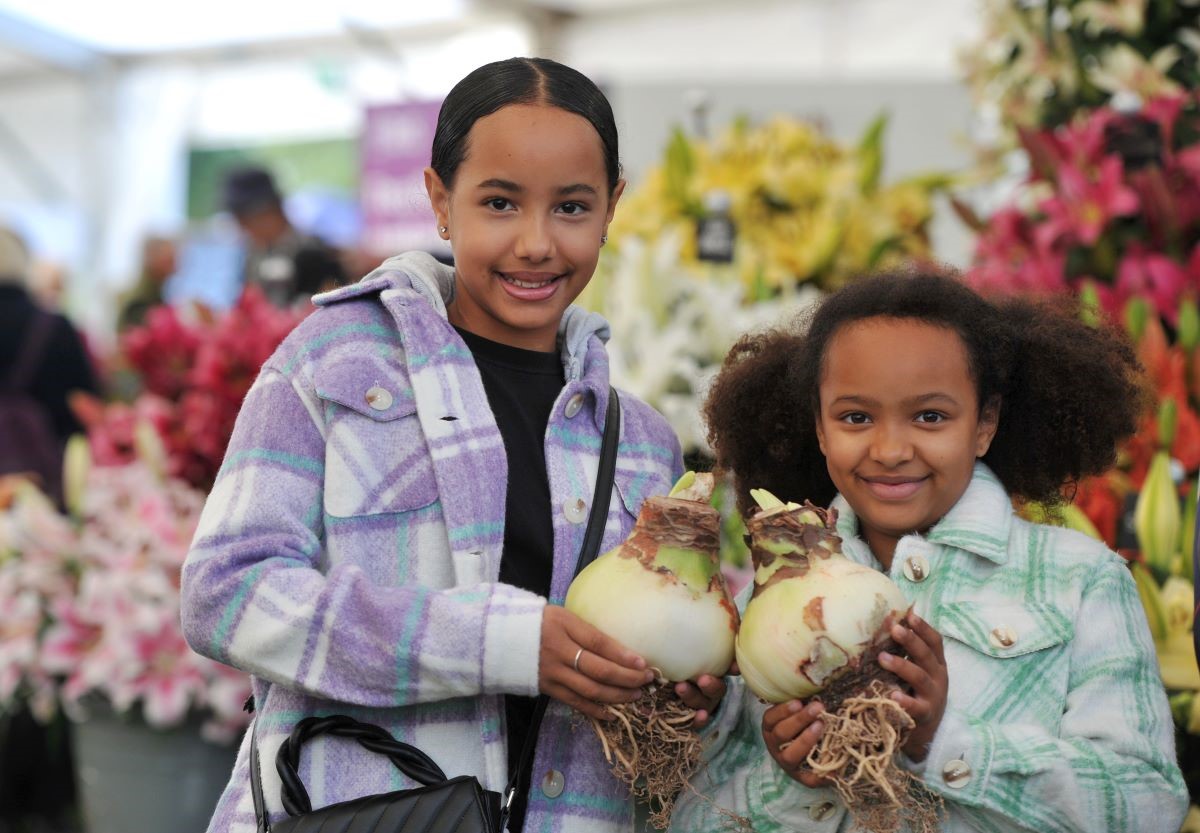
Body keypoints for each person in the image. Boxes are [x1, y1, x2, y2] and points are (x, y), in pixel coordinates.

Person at [181, 57, 725, 833]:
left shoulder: (639, 441)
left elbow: (660, 660)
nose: (536, 243)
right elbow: (224, 592)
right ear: (441, 200)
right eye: (499, 202)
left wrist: (685, 691)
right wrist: (497, 642)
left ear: (612, 207)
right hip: (362, 812)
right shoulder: (335, 365)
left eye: (571, 207)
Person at [669, 270, 1188, 832]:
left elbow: (1149, 805)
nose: (891, 450)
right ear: (819, 428)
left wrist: (941, 742)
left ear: (985, 423)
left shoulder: (1082, 580)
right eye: (856, 417)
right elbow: (684, 816)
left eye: (930, 417)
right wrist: (788, 785)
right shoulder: (761, 607)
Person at [221, 165, 347, 308]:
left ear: (272, 210)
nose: (243, 228)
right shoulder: (251, 256)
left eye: (244, 219)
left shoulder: (315, 253)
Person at [117, 234, 178, 331]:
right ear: (151, 257)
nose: (175, 268)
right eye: (170, 260)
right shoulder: (137, 304)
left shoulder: (160, 295)